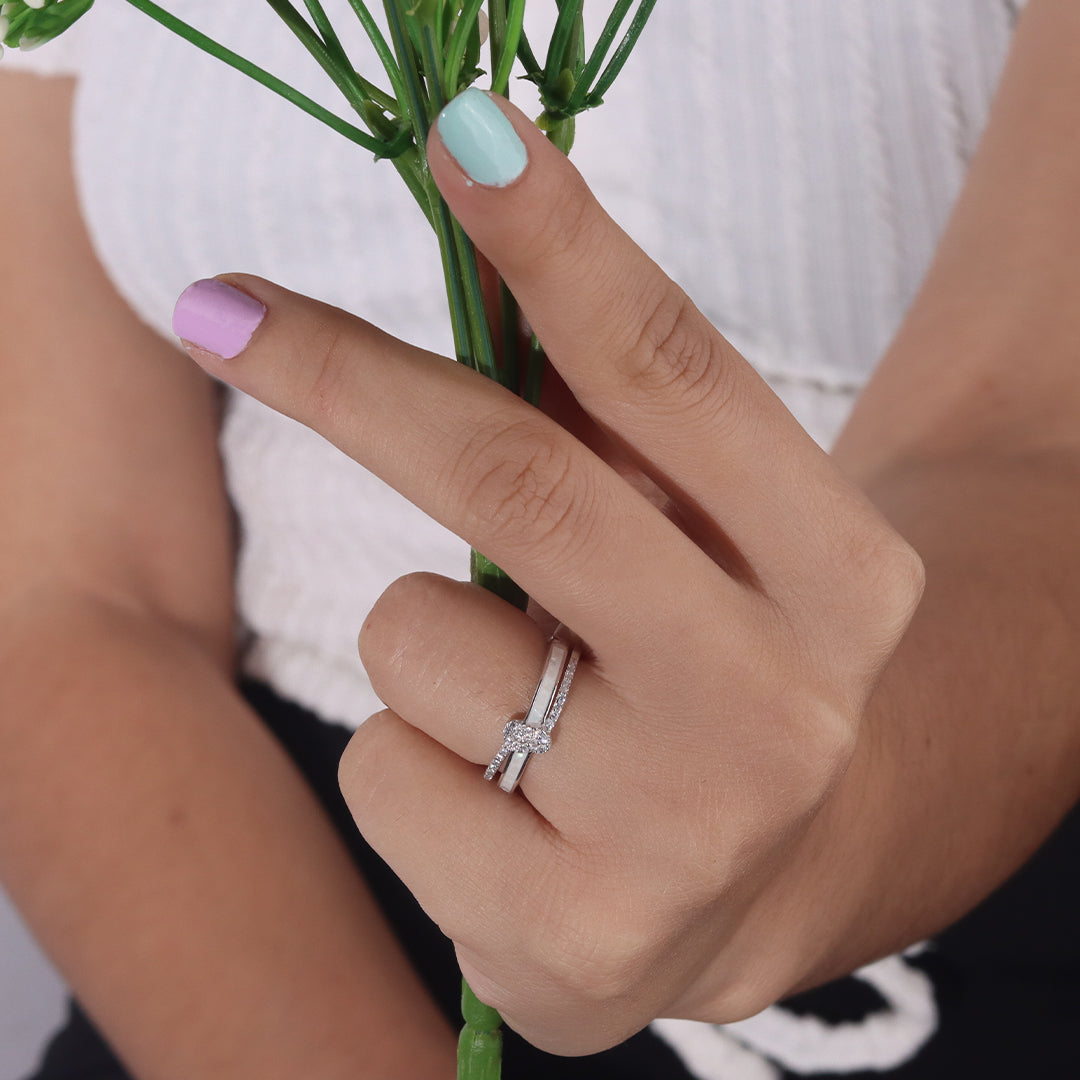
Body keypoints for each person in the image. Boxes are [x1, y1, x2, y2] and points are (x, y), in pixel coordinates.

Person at [2, 1, 1079, 1077]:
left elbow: (1033, 437)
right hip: (254, 900)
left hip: (925, 805)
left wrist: (809, 859)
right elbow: (70, 592)